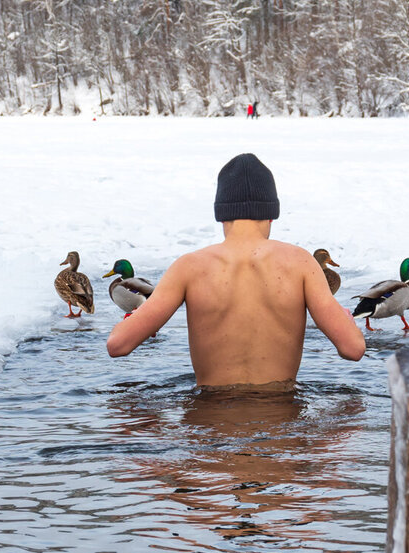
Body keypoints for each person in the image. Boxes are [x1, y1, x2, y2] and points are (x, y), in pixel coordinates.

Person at [105, 153, 365, 388]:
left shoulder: (190, 267)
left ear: (221, 214)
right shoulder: (300, 263)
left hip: (210, 427)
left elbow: (118, 345)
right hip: (282, 426)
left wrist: (139, 317)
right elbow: (353, 349)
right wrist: (344, 318)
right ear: (272, 213)